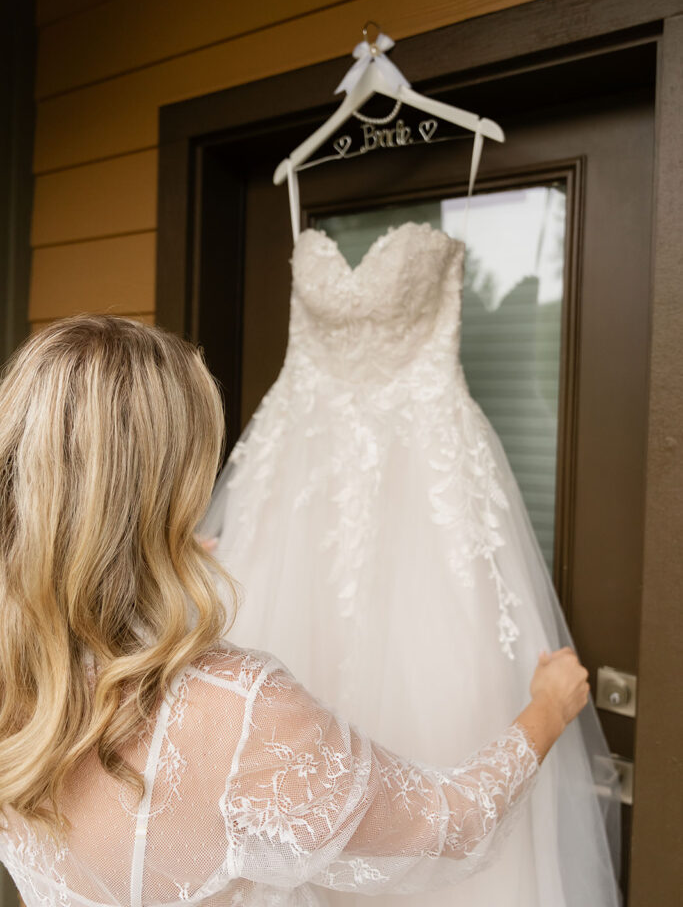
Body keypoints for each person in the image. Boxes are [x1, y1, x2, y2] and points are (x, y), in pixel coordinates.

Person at [0, 314, 589, 907]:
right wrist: (549, 707)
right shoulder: (240, 712)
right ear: (171, 488)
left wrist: (159, 573)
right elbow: (452, 823)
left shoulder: (17, 669)